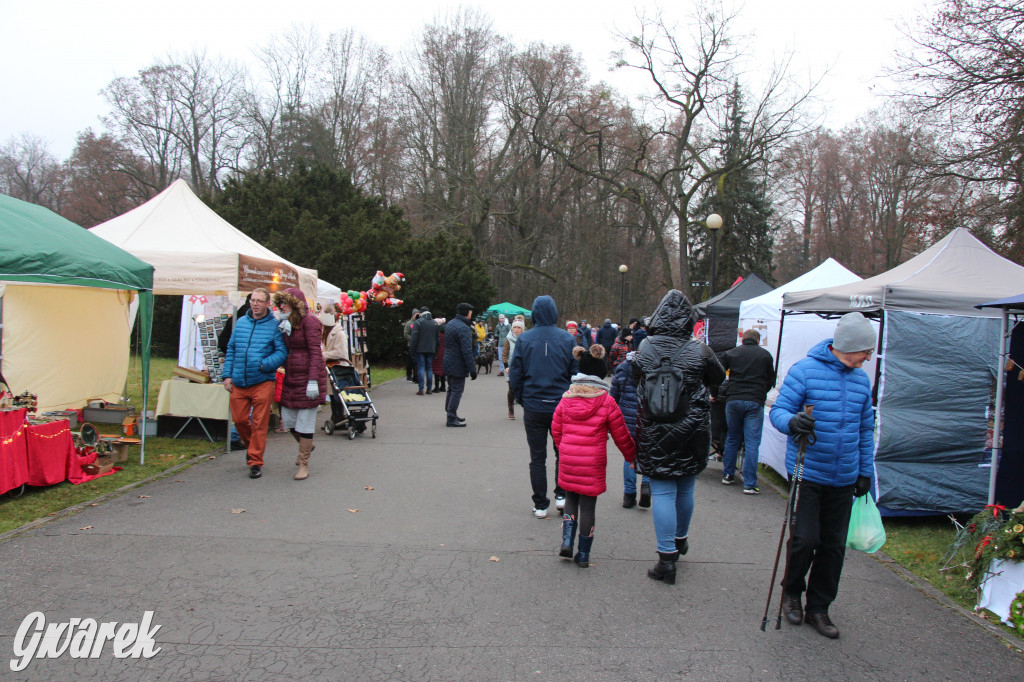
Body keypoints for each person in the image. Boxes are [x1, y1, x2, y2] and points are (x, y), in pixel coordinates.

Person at [769, 312, 876, 639]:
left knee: (833, 546)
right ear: (848, 346)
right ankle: (791, 592)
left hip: (844, 476)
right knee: (805, 540)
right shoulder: (804, 372)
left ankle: (819, 607)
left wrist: (865, 471)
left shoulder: (861, 380)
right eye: (865, 351)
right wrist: (793, 422)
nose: (868, 357)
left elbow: (865, 428)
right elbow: (778, 411)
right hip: (807, 472)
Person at [632, 290, 725, 585]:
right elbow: (720, 378)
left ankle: (666, 559)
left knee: (662, 492)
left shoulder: (645, 347)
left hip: (655, 427)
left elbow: (635, 376)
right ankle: (680, 540)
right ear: (688, 320)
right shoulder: (700, 349)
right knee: (685, 489)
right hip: (692, 427)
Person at [552, 344, 636, 567]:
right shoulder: (607, 402)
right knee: (588, 507)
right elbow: (621, 434)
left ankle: (567, 542)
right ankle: (584, 554)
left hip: (569, 459)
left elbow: (556, 429)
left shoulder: (566, 398)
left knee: (571, 499)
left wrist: (565, 449)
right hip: (592, 463)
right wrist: (632, 456)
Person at [509, 295, 577, 518]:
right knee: (562, 453)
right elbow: (575, 374)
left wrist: (522, 398)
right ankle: (561, 495)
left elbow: (516, 374)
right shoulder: (567, 340)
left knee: (538, 456)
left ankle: (540, 504)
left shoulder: (525, 339)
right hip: (561, 405)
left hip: (535, 405)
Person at [222, 288, 288, 479]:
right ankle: (252, 448)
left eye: (260, 301)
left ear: (268, 304)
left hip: (262, 381)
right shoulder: (241, 322)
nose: (255, 304)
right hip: (239, 381)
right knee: (240, 420)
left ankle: (255, 461)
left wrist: (264, 364)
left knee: (259, 423)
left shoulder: (275, 326)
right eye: (253, 300)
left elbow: (281, 352)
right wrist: (227, 375)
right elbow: (231, 349)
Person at [273, 288, 328, 481]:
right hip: (292, 376)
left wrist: (313, 380)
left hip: (307, 377)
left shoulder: (311, 322)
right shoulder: (287, 322)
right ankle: (307, 444)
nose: (281, 306)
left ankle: (304, 463)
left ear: (295, 304)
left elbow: (315, 352)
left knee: (305, 422)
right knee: (288, 420)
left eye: (285, 303)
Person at [720, 328, 777, 494]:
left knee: (732, 438)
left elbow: (719, 374)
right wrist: (760, 392)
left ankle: (728, 474)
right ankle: (750, 483)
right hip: (754, 400)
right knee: (752, 442)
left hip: (734, 398)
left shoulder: (731, 353)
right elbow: (771, 380)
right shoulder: (765, 355)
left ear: (742, 340)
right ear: (758, 340)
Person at [611, 349, 650, 509]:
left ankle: (629, 494)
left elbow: (614, 396)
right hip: (649, 416)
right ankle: (646, 485)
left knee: (630, 456)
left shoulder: (623, 367)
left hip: (627, 418)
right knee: (648, 454)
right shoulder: (653, 366)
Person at [442, 303, 477, 427]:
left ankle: (451, 413)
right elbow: (466, 350)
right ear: (467, 312)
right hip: (458, 363)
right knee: (457, 390)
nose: (471, 314)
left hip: (448, 360)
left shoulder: (451, 323)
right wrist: (473, 369)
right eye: (470, 312)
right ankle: (451, 417)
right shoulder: (463, 328)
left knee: (451, 389)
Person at [409, 308, 440, 395]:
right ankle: (429, 388)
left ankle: (421, 389)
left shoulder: (418, 322)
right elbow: (438, 340)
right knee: (429, 369)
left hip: (420, 349)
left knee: (421, 368)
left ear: (421, 314)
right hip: (431, 349)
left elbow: (414, 338)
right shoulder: (434, 323)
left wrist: (412, 350)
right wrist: (436, 351)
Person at [503, 319, 525, 419]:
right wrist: (506, 366)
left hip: (523, 367)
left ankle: (527, 410)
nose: (516, 330)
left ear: (522, 329)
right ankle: (510, 410)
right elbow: (504, 353)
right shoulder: (508, 338)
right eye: (515, 327)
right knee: (511, 389)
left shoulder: (526, 339)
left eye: (519, 328)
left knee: (525, 389)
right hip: (511, 367)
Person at [403, 308, 421, 382]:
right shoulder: (409, 323)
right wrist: (412, 340)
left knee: (416, 362)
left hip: (418, 345)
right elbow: (406, 334)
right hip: (411, 345)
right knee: (410, 361)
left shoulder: (420, 323)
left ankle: (416, 376)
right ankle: (409, 375)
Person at [432, 318, 447, 393]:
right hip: (445, 353)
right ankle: (443, 386)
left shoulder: (438, 335)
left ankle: (436, 387)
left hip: (438, 352)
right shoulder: (447, 335)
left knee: (436, 370)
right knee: (443, 369)